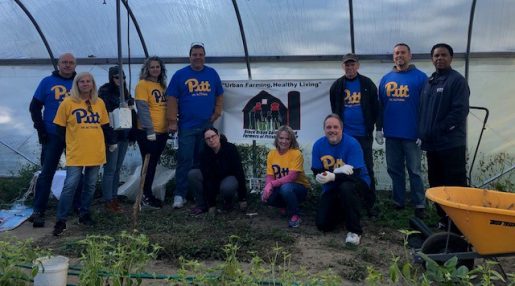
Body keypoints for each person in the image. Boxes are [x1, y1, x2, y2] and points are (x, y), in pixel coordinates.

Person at [52, 72, 113, 236]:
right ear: (77, 85)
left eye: (89, 81)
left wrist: (112, 142)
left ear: (93, 84)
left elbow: (105, 126)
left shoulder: (99, 102)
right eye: (82, 82)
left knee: (91, 185)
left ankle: (84, 214)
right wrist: (66, 147)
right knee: (70, 185)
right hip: (76, 152)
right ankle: (61, 220)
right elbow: (59, 129)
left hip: (95, 150)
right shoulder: (68, 103)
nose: (86, 84)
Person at [166, 43, 224, 209]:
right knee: (185, 160)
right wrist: (172, 121)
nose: (198, 57)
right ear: (189, 57)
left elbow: (219, 95)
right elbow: (171, 98)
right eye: (195, 54)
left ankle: (199, 194)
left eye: (200, 54)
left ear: (204, 56)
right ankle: (180, 194)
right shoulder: (180, 75)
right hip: (187, 126)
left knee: (202, 161)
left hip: (207, 127)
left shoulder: (212, 73)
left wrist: (217, 113)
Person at [419, 43, 470, 224]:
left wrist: (440, 129)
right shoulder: (430, 81)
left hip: (451, 144)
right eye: (436, 55)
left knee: (455, 185)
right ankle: (444, 219)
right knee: (437, 183)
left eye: (443, 55)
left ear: (451, 58)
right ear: (432, 59)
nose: (439, 58)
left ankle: (460, 224)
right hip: (432, 144)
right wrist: (424, 132)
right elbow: (424, 110)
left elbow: (459, 111)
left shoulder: (457, 81)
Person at [377, 43, 428, 219]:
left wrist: (423, 131)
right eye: (396, 53)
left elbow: (426, 107)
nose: (399, 55)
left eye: (403, 53)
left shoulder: (421, 78)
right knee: (394, 169)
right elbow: (380, 106)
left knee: (414, 170)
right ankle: (398, 201)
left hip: (412, 135)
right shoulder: (385, 79)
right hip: (391, 134)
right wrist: (378, 129)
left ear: (410, 55)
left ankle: (419, 203)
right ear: (393, 57)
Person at [28, 53, 77, 227]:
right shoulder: (46, 82)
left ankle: (77, 206)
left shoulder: (80, 83)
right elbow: (34, 107)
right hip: (52, 134)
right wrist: (40, 129)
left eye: (71, 63)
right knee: (47, 172)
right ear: (58, 64)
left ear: (75, 65)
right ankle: (38, 210)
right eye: (64, 62)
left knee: (76, 171)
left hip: (74, 135)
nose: (68, 65)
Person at [329, 53, 379, 217]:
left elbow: (375, 107)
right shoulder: (337, 86)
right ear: (342, 67)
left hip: (363, 135)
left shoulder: (367, 84)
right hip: (344, 137)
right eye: (346, 65)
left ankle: (370, 203)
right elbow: (334, 110)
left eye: (352, 65)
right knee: (342, 168)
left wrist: (378, 128)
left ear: (358, 65)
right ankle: (345, 202)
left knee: (366, 169)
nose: (349, 68)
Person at [312, 114, 371, 246]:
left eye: (335, 127)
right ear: (324, 129)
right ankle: (344, 212)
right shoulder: (318, 145)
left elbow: (354, 173)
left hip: (357, 183)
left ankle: (355, 231)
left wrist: (333, 176)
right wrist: (320, 176)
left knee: (346, 187)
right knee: (323, 225)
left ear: (341, 129)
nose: (332, 130)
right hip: (332, 186)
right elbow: (316, 169)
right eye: (328, 127)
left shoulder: (352, 144)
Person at [98, 66, 137, 213]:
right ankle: (108, 199)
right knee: (110, 169)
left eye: (123, 77)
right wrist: (110, 138)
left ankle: (114, 196)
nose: (121, 80)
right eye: (117, 77)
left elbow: (131, 115)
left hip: (124, 136)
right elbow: (105, 116)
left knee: (117, 168)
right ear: (111, 78)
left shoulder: (125, 93)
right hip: (112, 136)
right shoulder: (105, 92)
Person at [188, 127, 247, 215]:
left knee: (228, 187)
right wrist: (212, 204)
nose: (211, 140)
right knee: (193, 174)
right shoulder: (204, 153)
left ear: (218, 136)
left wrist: (242, 198)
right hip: (213, 181)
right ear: (205, 140)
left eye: (213, 136)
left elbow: (239, 172)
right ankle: (202, 204)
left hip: (228, 178)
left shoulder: (230, 148)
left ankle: (228, 202)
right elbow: (207, 178)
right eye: (208, 138)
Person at [135, 56, 168, 209]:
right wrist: (149, 129)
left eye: (157, 67)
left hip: (162, 131)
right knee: (148, 164)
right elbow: (142, 108)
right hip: (148, 132)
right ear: (146, 69)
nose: (155, 69)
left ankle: (146, 194)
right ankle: (144, 195)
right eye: (152, 67)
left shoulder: (162, 86)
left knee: (153, 164)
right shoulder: (142, 85)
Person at [261, 125, 310, 228]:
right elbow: (270, 175)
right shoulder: (271, 154)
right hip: (282, 187)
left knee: (286, 188)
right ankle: (285, 206)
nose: (284, 141)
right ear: (277, 139)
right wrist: (267, 187)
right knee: (265, 196)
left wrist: (271, 184)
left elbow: (292, 177)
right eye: (281, 138)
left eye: (287, 138)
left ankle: (296, 215)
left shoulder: (296, 154)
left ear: (291, 140)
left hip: (299, 188)